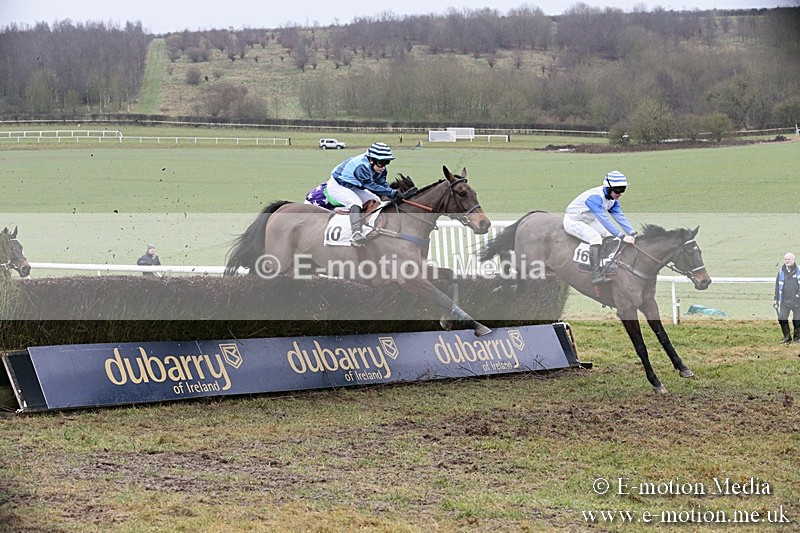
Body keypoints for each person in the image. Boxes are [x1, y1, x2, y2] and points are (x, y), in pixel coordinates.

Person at [564, 170, 637, 285]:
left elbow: (619, 217)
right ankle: (596, 274)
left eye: (623, 190)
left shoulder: (612, 199)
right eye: (618, 190)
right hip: (574, 220)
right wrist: (622, 236)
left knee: (611, 237)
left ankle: (605, 264)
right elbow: (604, 219)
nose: (620, 193)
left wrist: (633, 232)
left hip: (589, 220)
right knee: (595, 237)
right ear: (608, 188)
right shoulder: (595, 198)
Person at [325, 142, 401, 245]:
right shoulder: (362, 167)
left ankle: (368, 226)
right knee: (355, 203)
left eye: (386, 162)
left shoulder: (381, 169)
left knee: (377, 201)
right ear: (371, 160)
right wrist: (392, 193)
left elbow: (383, 184)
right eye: (381, 163)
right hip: (338, 186)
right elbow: (371, 186)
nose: (383, 167)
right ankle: (355, 233)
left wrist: (395, 194)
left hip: (354, 186)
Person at [773, 252, 800, 344]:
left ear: (793, 260)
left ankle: (797, 339)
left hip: (797, 302)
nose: (787, 261)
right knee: (782, 318)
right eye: (785, 259)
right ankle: (787, 337)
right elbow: (777, 286)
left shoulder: (799, 270)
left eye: (789, 259)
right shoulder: (781, 271)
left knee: (797, 321)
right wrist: (776, 299)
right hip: (785, 301)